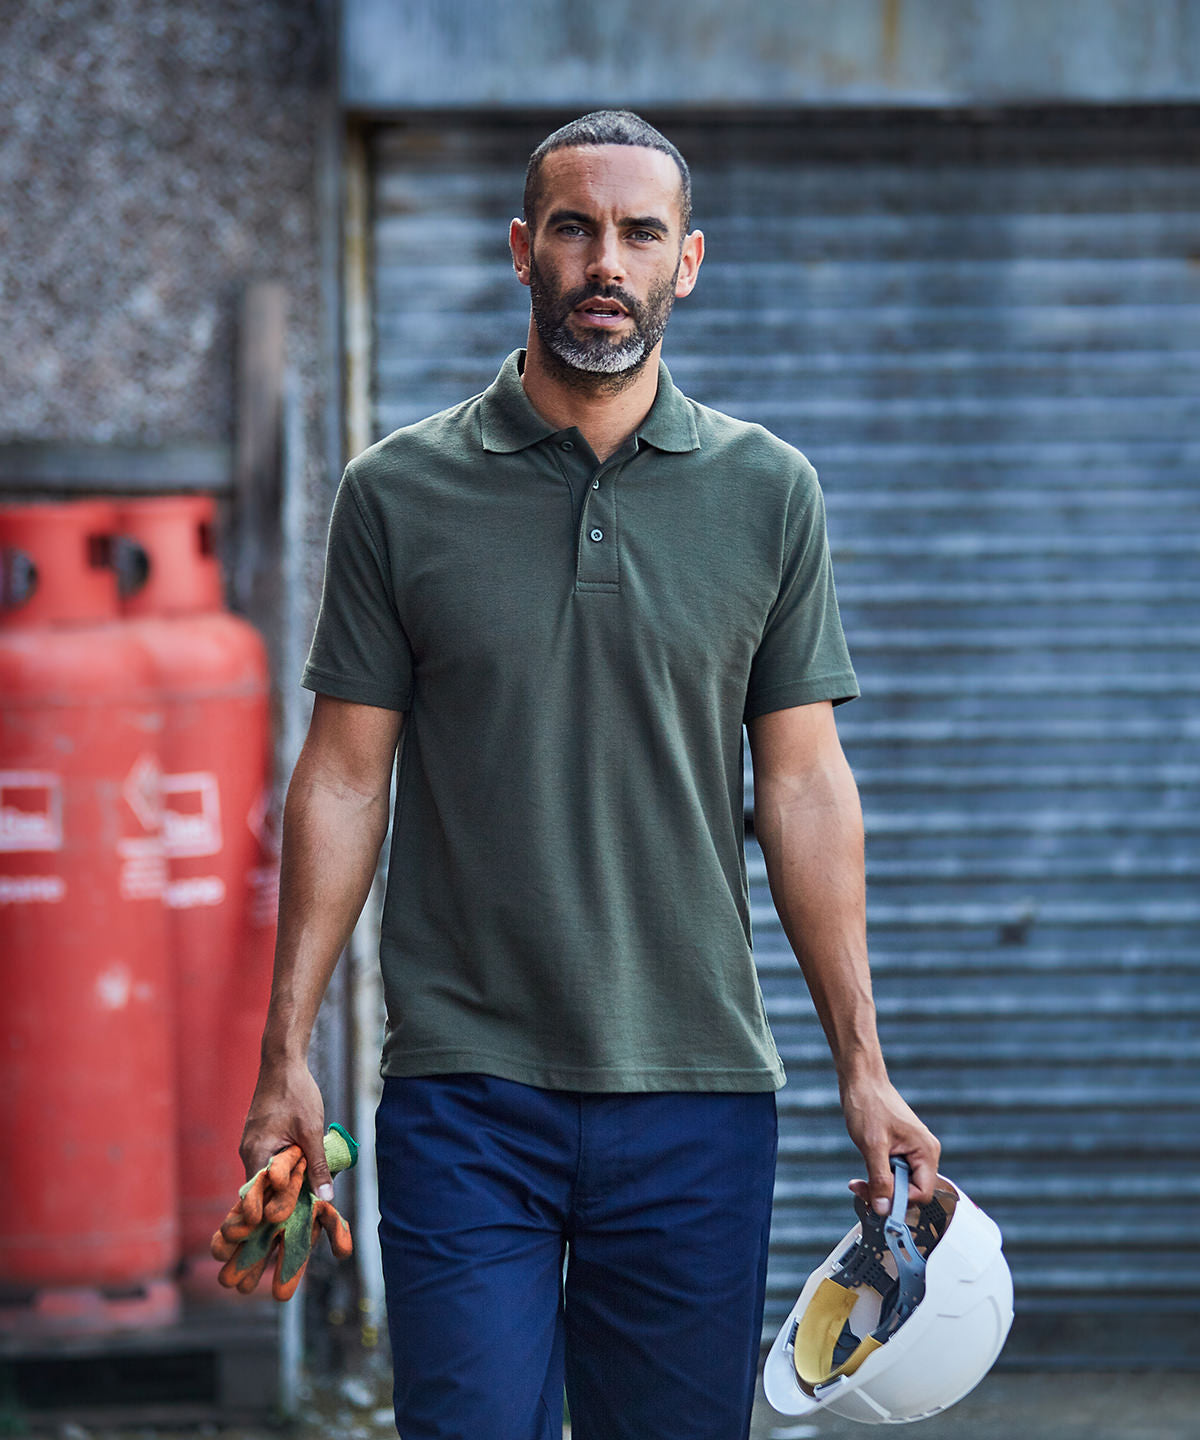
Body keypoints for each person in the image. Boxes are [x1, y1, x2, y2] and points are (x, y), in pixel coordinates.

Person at [239, 110, 940, 1440]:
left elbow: (803, 788)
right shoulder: (399, 493)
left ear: (688, 262)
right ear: (523, 249)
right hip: (465, 1092)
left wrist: (865, 1067)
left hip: (696, 1095)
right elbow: (340, 781)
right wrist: (286, 1053)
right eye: (574, 228)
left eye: (639, 233)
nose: (604, 261)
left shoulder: (770, 493)